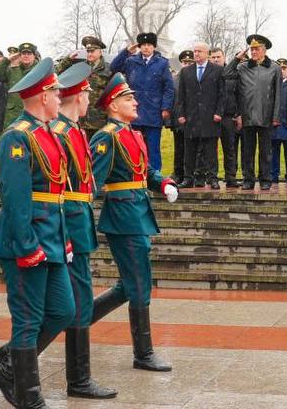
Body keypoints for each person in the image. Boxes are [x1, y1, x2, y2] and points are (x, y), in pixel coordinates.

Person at [0, 58, 76, 409]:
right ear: (42, 96)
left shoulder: (47, 134)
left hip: (51, 235)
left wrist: (63, 236)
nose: (59, 97)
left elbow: (56, 193)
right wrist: (26, 244)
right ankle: (28, 396)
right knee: (28, 319)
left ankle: (8, 371)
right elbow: (15, 195)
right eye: (55, 92)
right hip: (26, 239)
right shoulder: (16, 137)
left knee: (63, 311)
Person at [87, 73, 179, 373]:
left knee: (128, 286)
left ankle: (78, 319)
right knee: (139, 284)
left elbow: (145, 171)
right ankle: (144, 353)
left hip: (138, 213)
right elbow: (92, 184)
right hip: (123, 217)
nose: (136, 101)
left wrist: (162, 182)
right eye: (128, 98)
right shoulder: (106, 137)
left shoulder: (133, 134)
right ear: (113, 105)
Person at [49, 63, 117, 399]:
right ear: (79, 95)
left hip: (78, 218)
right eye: (88, 92)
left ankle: (76, 376)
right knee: (74, 300)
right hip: (68, 220)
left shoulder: (75, 130)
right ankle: (77, 379)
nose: (91, 98)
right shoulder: (60, 132)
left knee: (77, 300)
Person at [110, 33, 175, 172]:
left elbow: (169, 87)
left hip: (153, 111)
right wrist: (126, 52)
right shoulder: (130, 61)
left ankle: (155, 176)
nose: (146, 48)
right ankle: (134, 174)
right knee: (133, 146)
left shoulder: (162, 63)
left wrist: (166, 108)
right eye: (143, 45)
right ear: (139, 47)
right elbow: (113, 68)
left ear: (154, 47)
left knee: (153, 149)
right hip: (134, 111)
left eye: (149, 45)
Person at [223, 34, 281, 190]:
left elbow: (278, 94)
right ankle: (248, 178)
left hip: (266, 115)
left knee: (265, 151)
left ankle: (265, 179)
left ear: (264, 50)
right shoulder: (242, 67)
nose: (254, 52)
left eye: (257, 49)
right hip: (247, 115)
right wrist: (237, 58)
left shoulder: (274, 68)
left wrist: (275, 116)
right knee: (247, 151)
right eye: (252, 49)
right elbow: (226, 74)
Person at [175, 42, 223, 190]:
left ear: (207, 53)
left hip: (210, 117)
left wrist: (218, 112)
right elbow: (181, 95)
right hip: (191, 117)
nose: (196, 54)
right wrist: (181, 114)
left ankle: (213, 178)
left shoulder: (217, 70)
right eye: (194, 51)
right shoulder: (186, 72)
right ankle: (189, 178)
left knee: (210, 151)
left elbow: (222, 94)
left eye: (199, 51)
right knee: (189, 150)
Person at [212, 48, 241, 188]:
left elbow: (239, 95)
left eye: (218, 56)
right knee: (210, 149)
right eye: (213, 57)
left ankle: (231, 177)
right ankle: (212, 177)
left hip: (228, 116)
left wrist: (238, 113)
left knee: (229, 148)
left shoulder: (233, 73)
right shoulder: (208, 73)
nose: (216, 59)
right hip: (211, 116)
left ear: (224, 57)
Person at [0, 42, 40, 131]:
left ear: (34, 56)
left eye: (29, 53)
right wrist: (7, 60)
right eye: (23, 53)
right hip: (13, 116)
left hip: (34, 113)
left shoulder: (39, 71)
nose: (26, 56)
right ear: (19, 55)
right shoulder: (12, 71)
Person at [169, 50, 192, 182]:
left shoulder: (197, 78)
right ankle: (178, 172)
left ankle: (191, 173)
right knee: (179, 148)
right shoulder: (174, 79)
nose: (187, 64)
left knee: (193, 149)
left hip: (194, 120)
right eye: (184, 62)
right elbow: (172, 100)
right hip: (178, 119)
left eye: (190, 62)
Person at [271, 59, 287, 185]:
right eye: (279, 68)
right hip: (275, 123)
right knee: (274, 150)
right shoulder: (272, 83)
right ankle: (274, 174)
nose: (282, 71)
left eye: (284, 68)